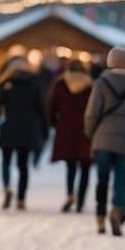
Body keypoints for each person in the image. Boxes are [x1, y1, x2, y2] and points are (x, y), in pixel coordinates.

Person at [85, 47, 125, 237]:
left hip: (103, 137)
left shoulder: (101, 83)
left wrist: (90, 133)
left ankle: (100, 217)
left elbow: (91, 113)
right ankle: (117, 210)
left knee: (102, 180)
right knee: (121, 178)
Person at [0, 56, 47, 210]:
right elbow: (41, 109)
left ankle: (7, 188)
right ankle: (21, 199)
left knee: (6, 162)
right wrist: (44, 129)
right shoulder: (35, 85)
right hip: (28, 130)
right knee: (23, 166)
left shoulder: (5, 84)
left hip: (9, 127)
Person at [48, 60, 94, 213]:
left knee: (71, 166)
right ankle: (81, 199)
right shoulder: (91, 86)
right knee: (85, 166)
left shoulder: (60, 85)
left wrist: (56, 124)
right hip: (85, 130)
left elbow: (51, 107)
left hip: (66, 129)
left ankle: (69, 194)